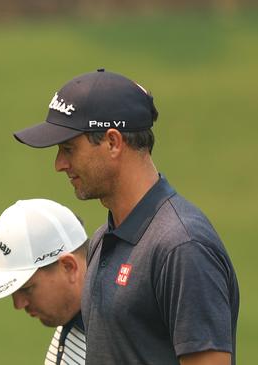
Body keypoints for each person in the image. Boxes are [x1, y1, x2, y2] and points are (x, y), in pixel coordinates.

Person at [13, 69, 239, 364]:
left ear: (113, 142)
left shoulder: (181, 246)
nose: (59, 164)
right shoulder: (101, 243)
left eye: (69, 148)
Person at [0, 199, 88, 365]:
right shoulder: (72, 318)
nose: (18, 304)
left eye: (27, 288)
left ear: (68, 267)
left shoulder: (119, 337)